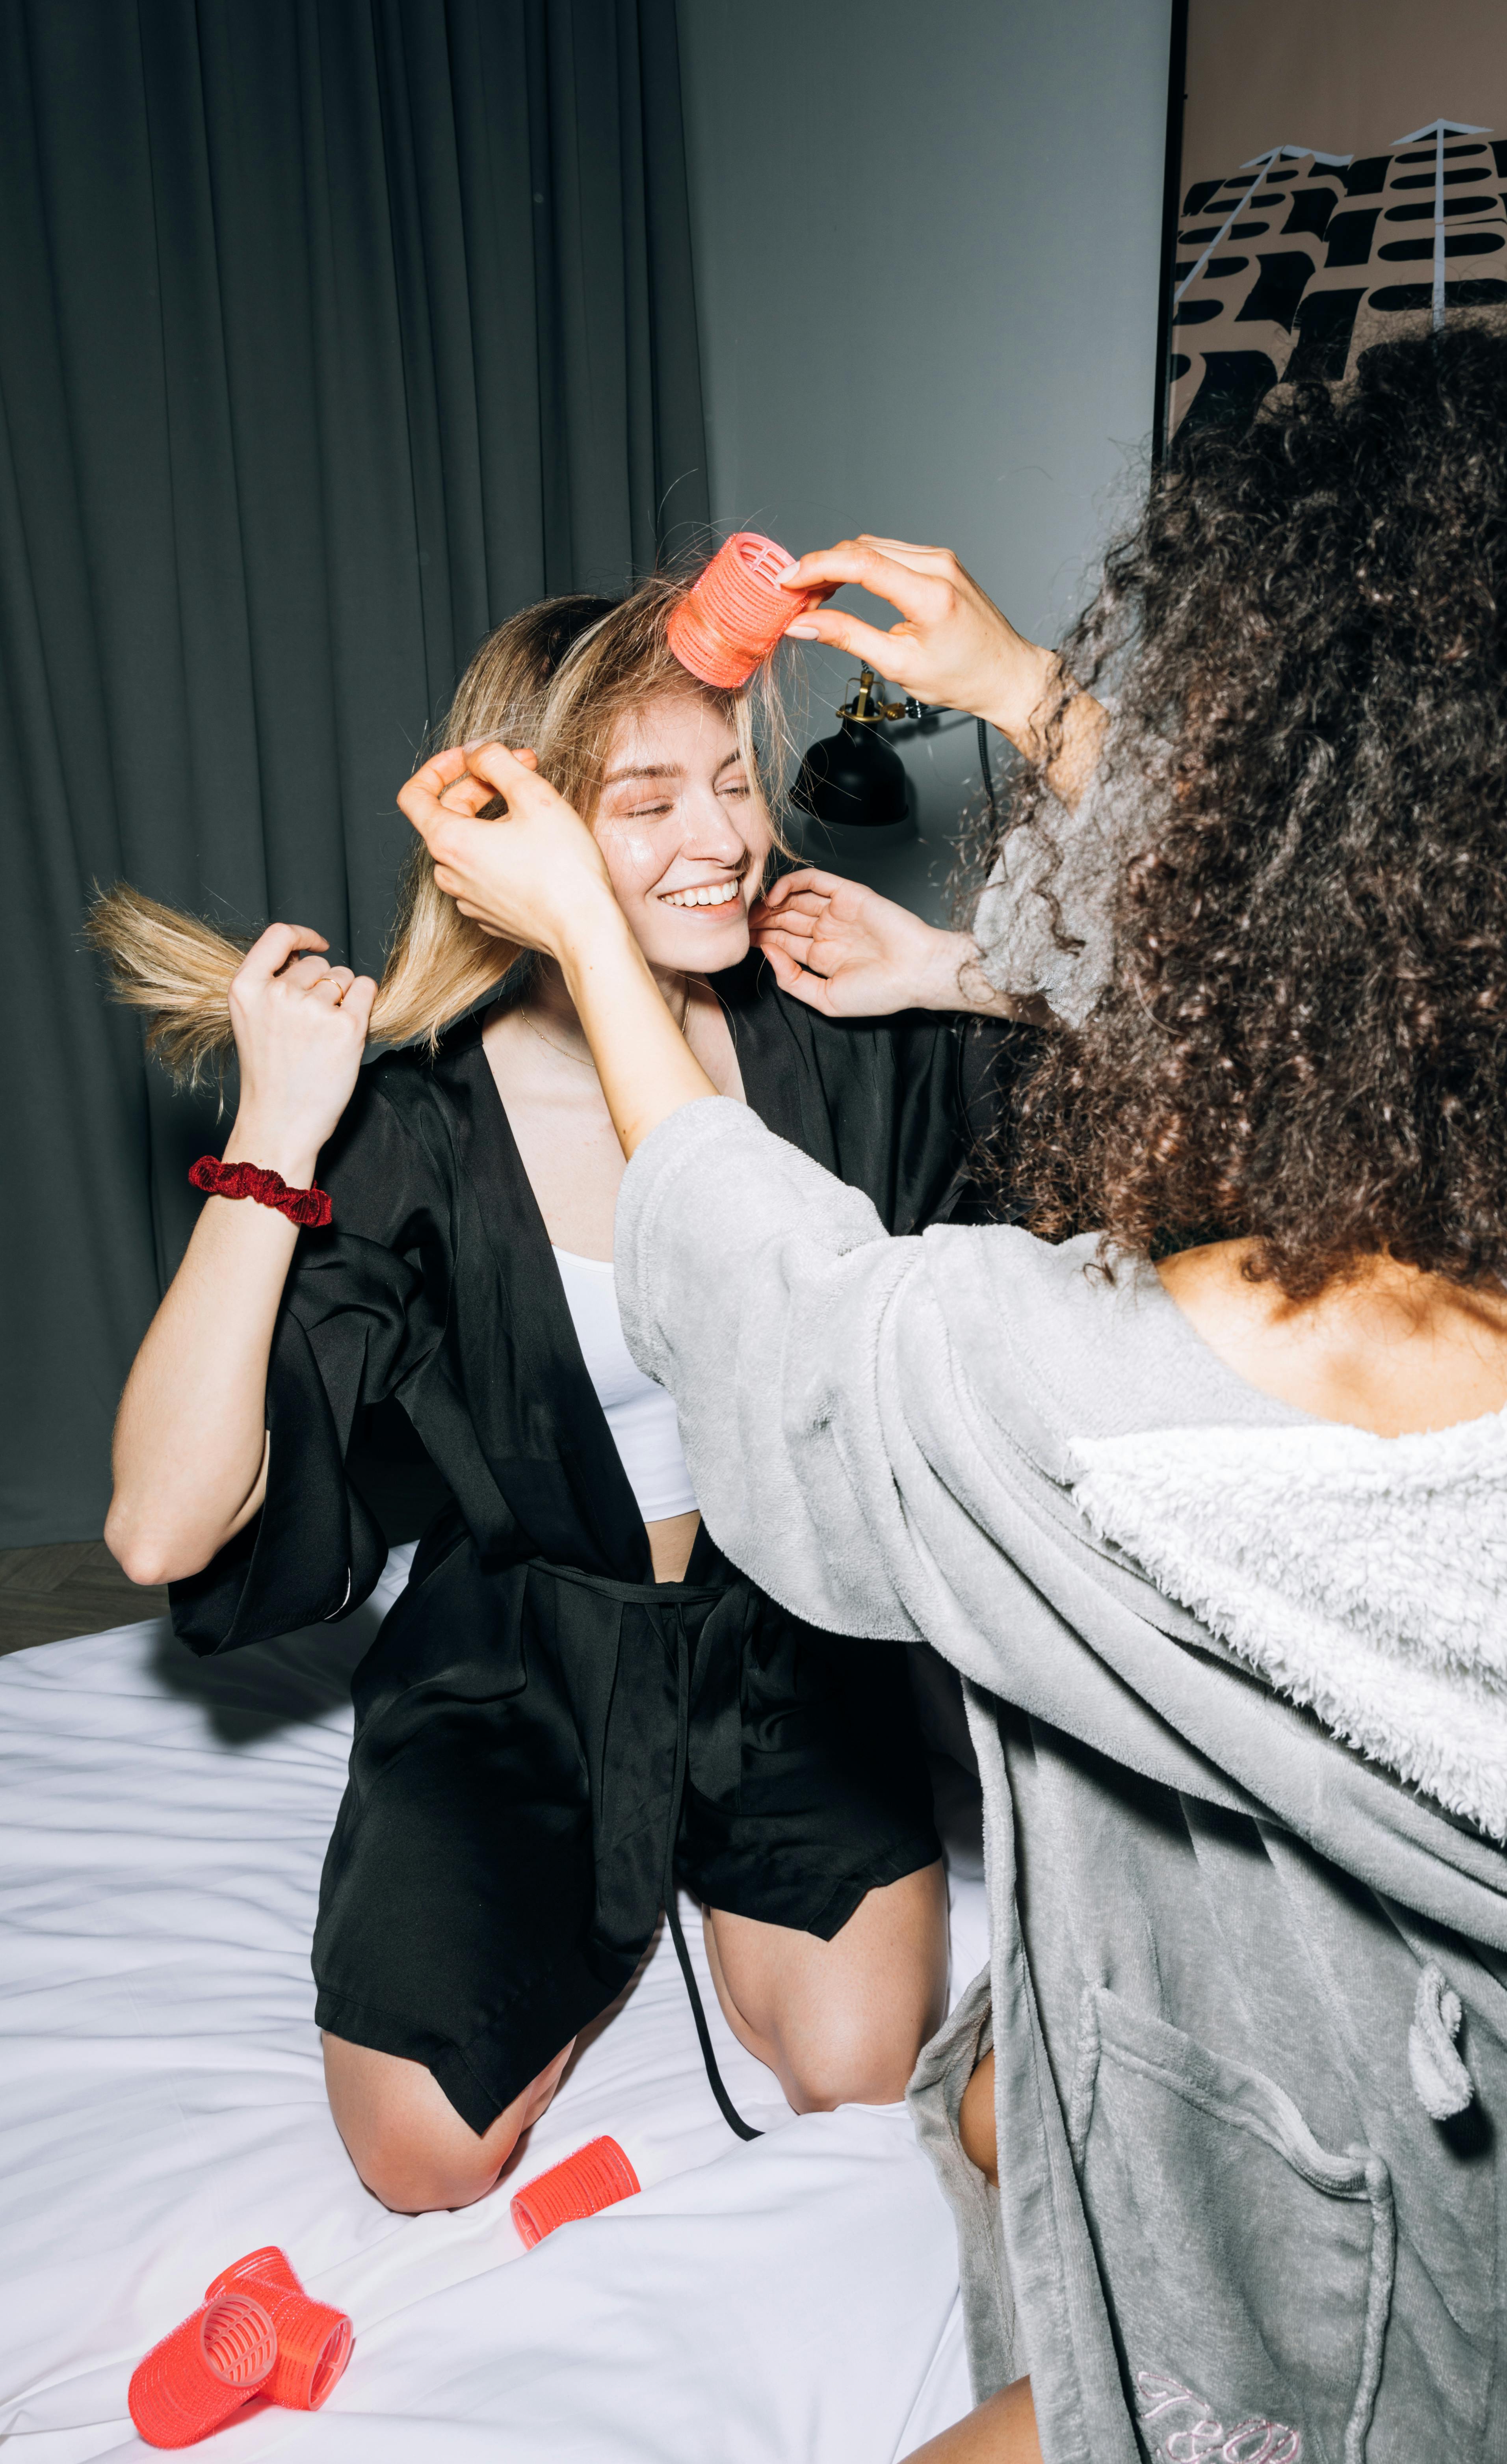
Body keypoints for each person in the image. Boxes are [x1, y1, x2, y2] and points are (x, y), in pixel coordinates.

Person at [396, 329, 1507, 2461]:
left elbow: (795, 1360)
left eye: (716, 780)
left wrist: (584, 931)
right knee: (988, 2089)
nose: (709, 831)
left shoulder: (1132, 1406)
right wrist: (1025, 690)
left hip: (1477, 2362)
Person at [97, 575, 1004, 2213]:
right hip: (522, 1665)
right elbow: (164, 1524)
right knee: (427, 2164)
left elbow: (1227, 1083)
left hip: (789, 1641)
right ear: (516, 839)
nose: (722, 837)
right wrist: (275, 1144)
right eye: (644, 802)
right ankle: (578, 1899)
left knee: (863, 2075)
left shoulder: (838, 1029)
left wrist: (954, 971)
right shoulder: (418, 1121)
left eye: (731, 780)